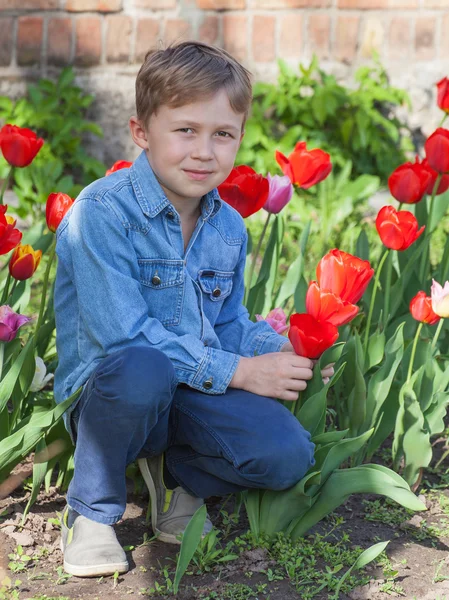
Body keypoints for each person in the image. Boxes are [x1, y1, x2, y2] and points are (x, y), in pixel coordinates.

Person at [53, 41, 332, 578]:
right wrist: (241, 372)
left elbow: (224, 323)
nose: (204, 151)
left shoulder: (227, 226)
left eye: (222, 134)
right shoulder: (101, 215)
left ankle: (176, 477)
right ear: (142, 132)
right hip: (114, 390)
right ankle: (90, 510)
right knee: (143, 366)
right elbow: (121, 338)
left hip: (189, 387)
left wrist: (280, 349)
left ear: (240, 138)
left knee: (286, 454)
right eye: (185, 130)